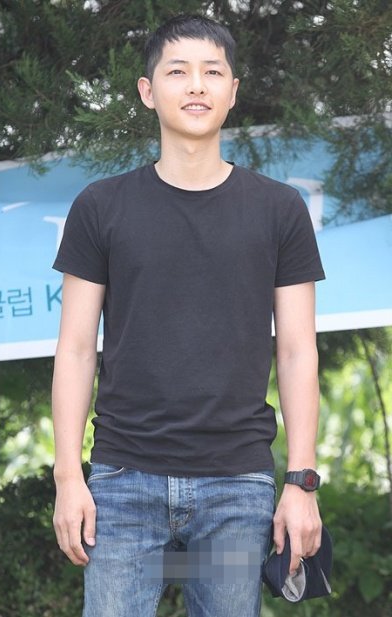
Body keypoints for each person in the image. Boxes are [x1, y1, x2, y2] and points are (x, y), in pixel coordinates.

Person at [52, 13, 325, 617]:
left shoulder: (279, 210)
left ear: (233, 90)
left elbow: (297, 351)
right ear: (148, 91)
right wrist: (69, 477)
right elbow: (74, 348)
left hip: (236, 487)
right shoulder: (100, 207)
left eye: (212, 72)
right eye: (177, 72)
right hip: (123, 483)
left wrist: (301, 482)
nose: (196, 85)